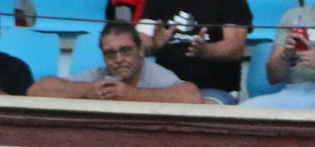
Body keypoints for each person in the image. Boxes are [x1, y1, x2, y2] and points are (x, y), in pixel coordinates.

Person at [27, 21, 203, 104]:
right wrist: (88, 90)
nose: (118, 60)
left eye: (125, 51)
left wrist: (131, 95)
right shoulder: (98, 76)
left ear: (140, 51)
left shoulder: (155, 74)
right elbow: (37, 90)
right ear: (103, 57)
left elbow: (193, 97)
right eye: (110, 54)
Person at [136, 0, 252, 104]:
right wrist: (154, 45)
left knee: (198, 111)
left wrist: (206, 51)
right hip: (164, 87)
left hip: (213, 89)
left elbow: (235, 48)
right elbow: (139, 43)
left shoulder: (232, 2)